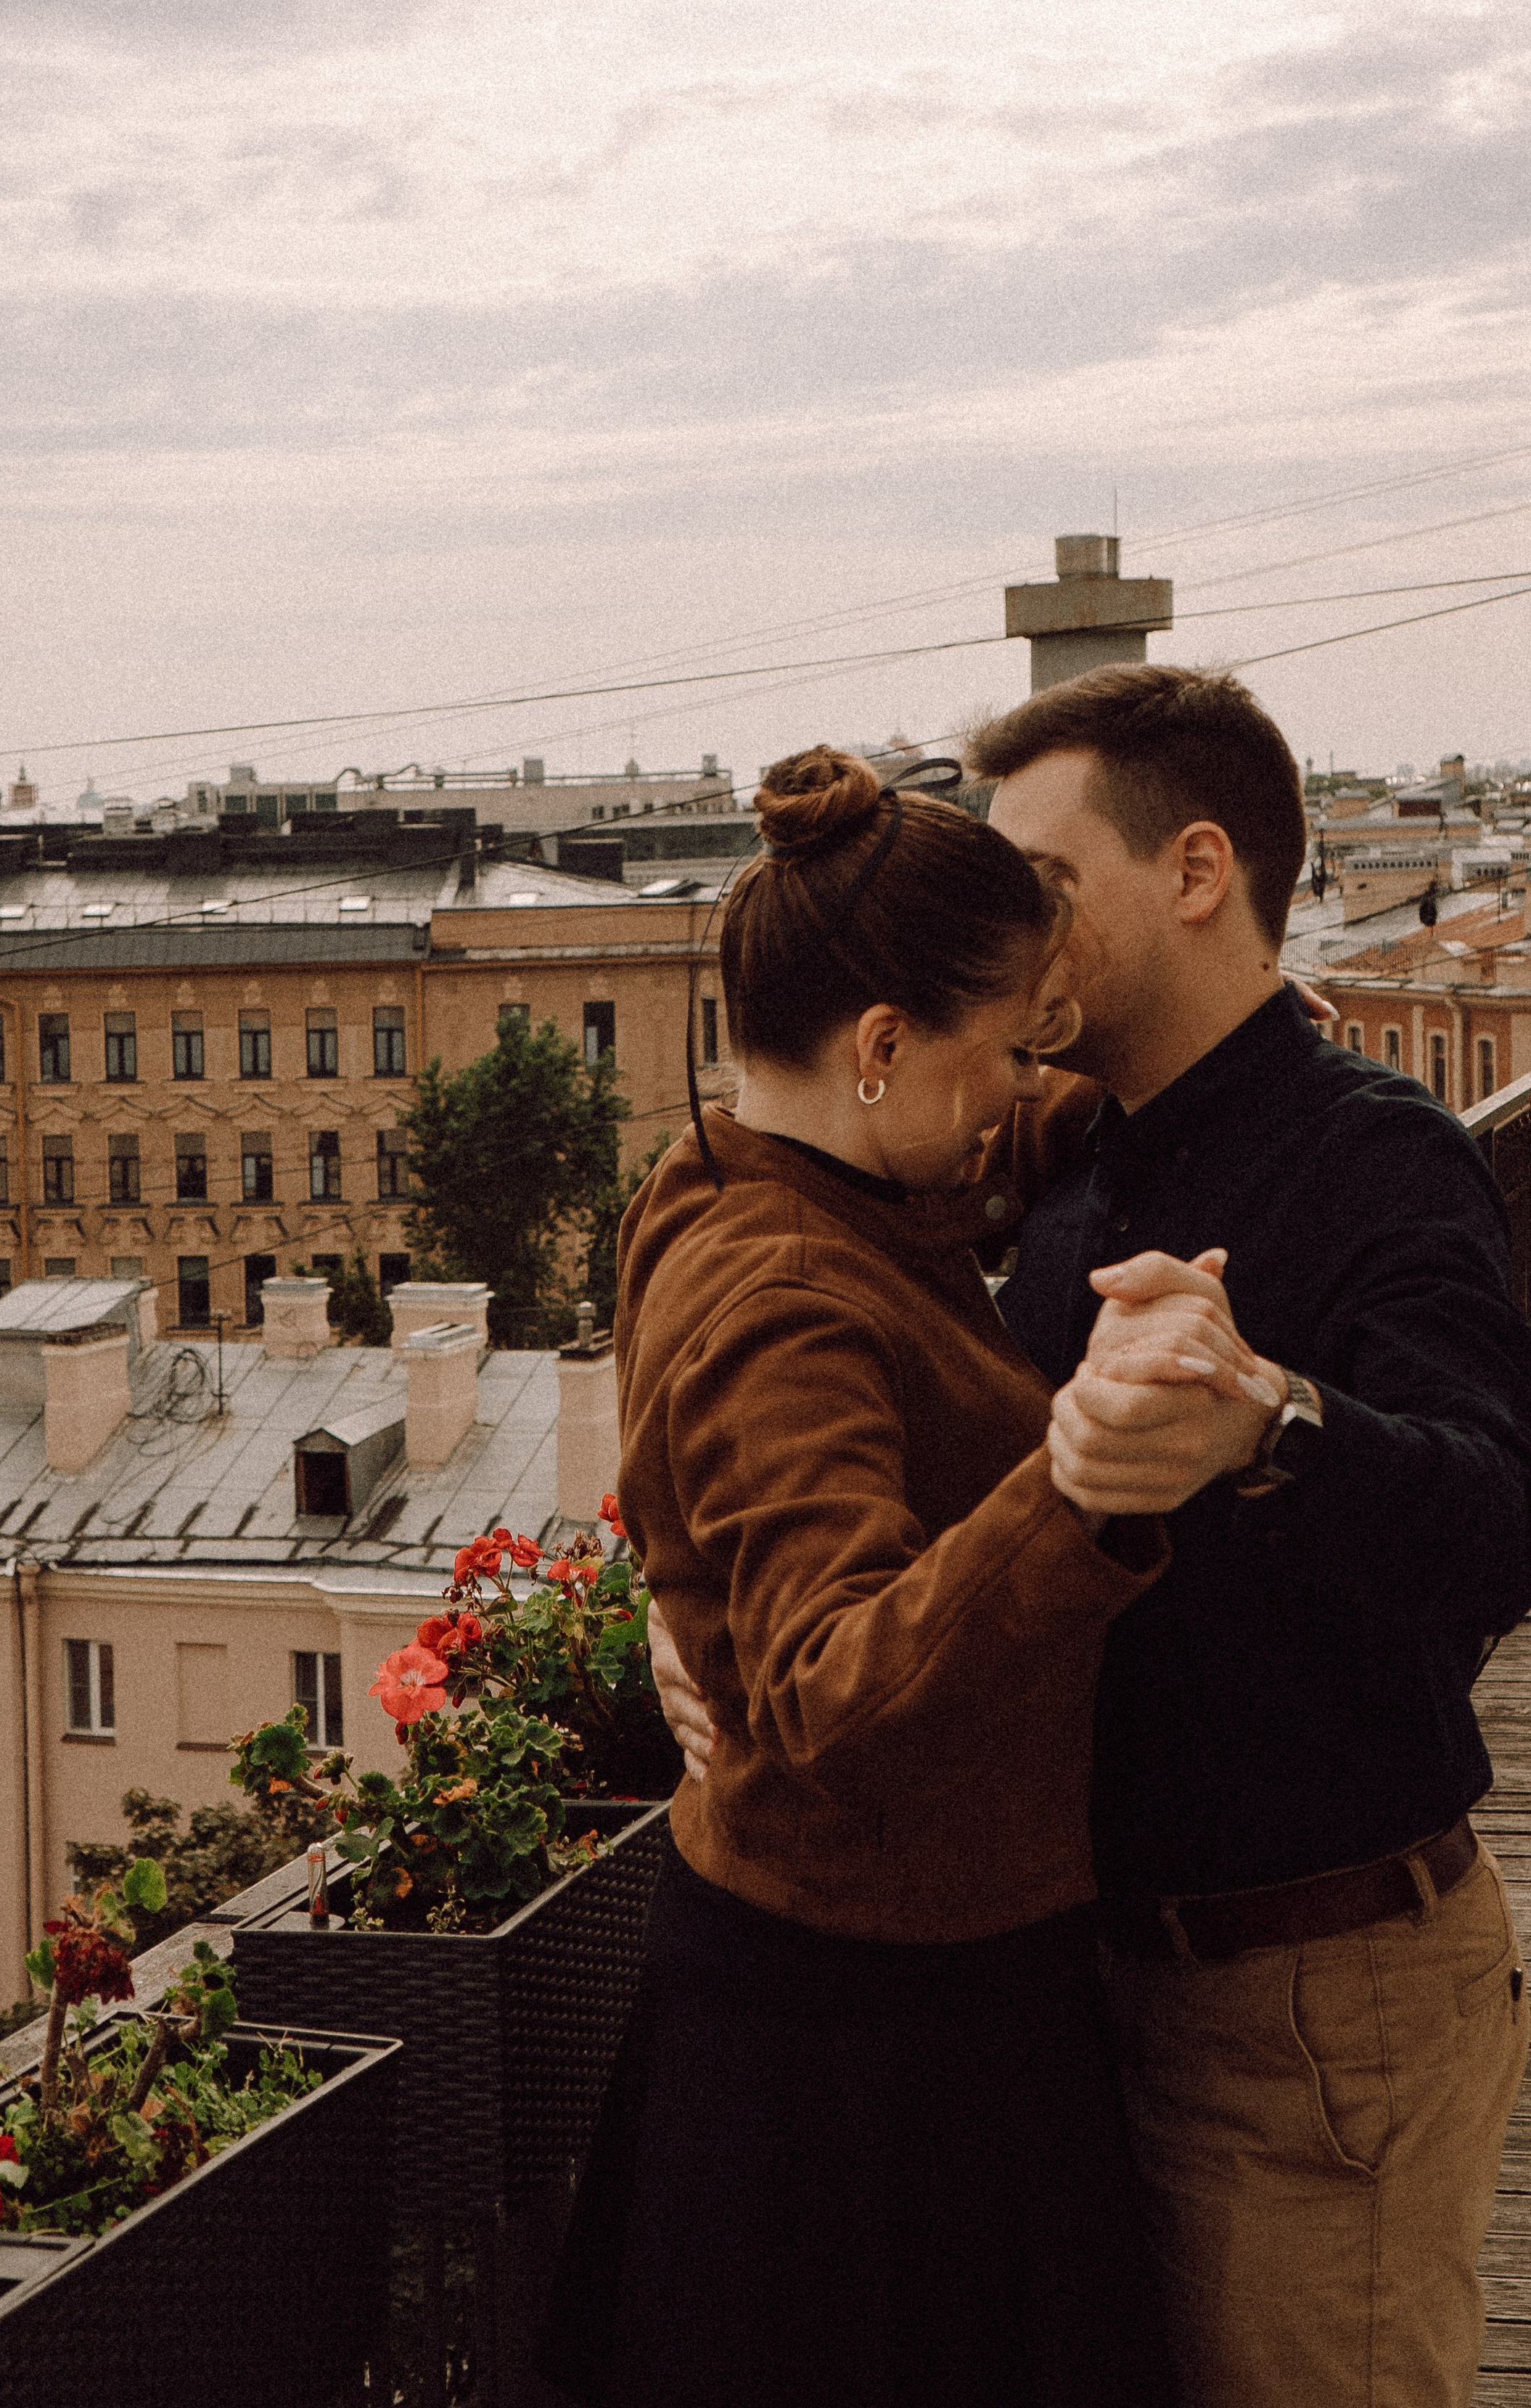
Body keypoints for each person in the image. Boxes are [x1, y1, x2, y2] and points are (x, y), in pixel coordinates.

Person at [654, 666, 1531, 2408]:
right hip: (1081, 1993)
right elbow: (781, 1267)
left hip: (1301, 2003)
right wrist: (685, 1596)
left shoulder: (1378, 1165)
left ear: (1195, 870)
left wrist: (1270, 1422)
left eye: (1041, 890)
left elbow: (1499, 1527)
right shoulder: (1065, 1147)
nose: (1004, 932)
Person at [578, 744, 1267, 2408]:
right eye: (997, 1049)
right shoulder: (777, 1300)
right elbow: (826, 1690)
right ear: (880, 1046)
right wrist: (1079, 1482)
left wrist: (1221, 1055)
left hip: (872, 2001)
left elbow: (982, 1141)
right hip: (865, 2058)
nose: (1016, 1090)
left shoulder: (748, 1173)